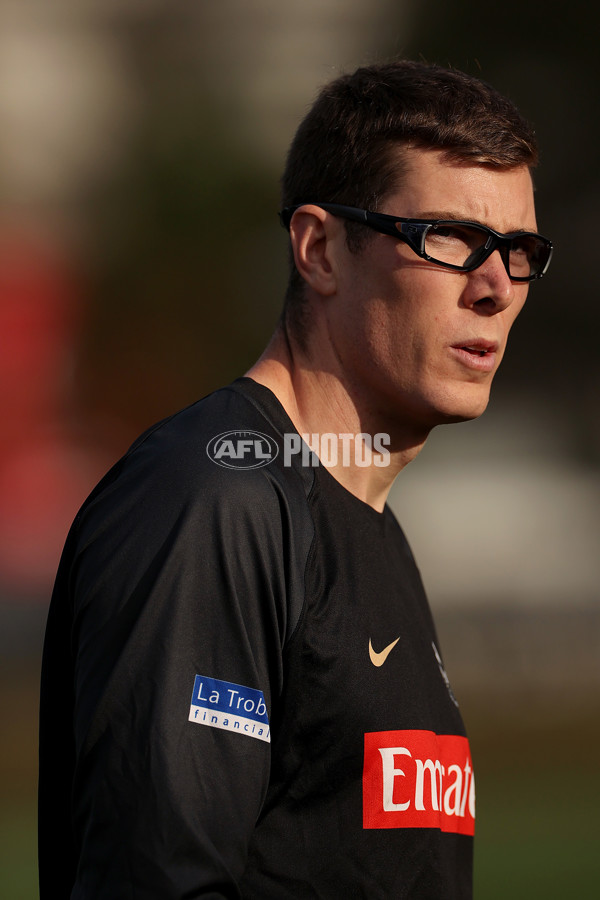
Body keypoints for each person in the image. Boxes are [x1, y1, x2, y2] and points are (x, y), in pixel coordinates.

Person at [38, 60, 553, 899]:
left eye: (520, 250)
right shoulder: (218, 498)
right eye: (450, 238)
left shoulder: (361, 516)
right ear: (319, 250)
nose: (495, 287)